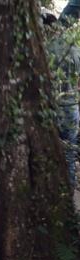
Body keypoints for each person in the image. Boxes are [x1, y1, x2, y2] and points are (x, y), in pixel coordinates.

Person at [43, 11, 80, 187]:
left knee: (49, 154)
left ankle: (53, 193)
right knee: (69, 156)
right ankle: (69, 198)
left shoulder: (44, 49)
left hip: (52, 108)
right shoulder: (74, 49)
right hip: (72, 108)